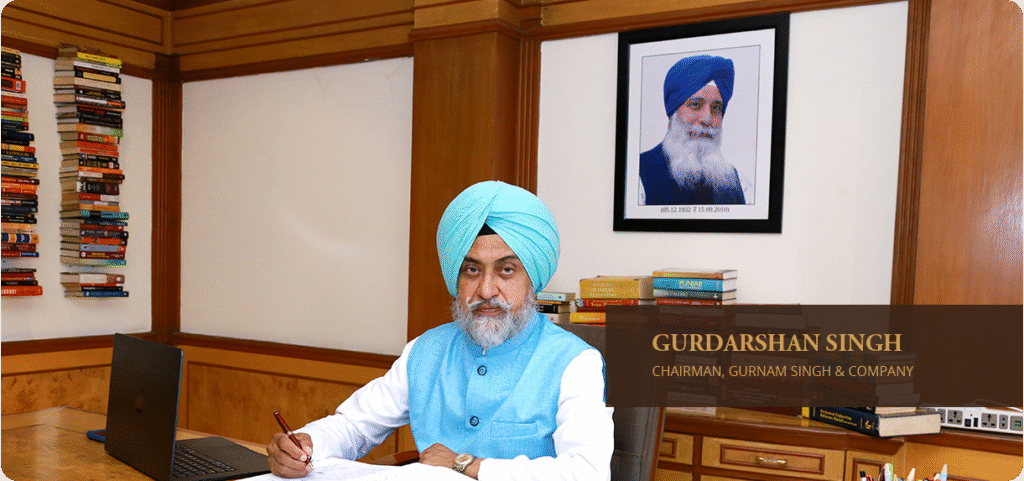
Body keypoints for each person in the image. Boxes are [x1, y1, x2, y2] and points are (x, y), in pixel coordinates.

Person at [266, 181, 613, 480]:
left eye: (506, 270)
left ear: (532, 278)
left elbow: (587, 472)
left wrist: (467, 465)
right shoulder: (426, 351)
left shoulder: (575, 362)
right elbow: (354, 426)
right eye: (472, 271)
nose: (486, 290)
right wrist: (305, 444)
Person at [639, 54, 748, 205]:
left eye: (716, 108)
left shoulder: (739, 183)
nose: (707, 119)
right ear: (673, 113)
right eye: (695, 105)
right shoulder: (638, 176)